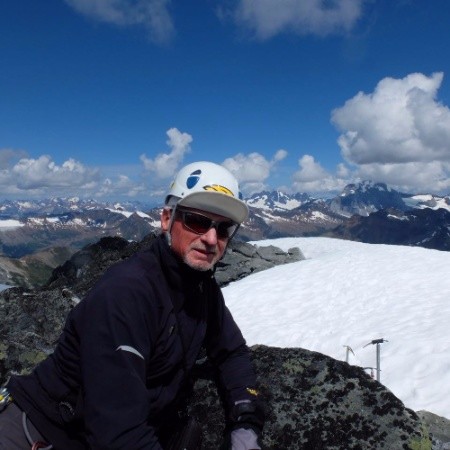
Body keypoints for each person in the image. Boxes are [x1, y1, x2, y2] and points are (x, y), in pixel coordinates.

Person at [0, 161, 265, 449]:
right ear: (167, 219)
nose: (211, 239)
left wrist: (245, 420)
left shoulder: (201, 287)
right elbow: (118, 431)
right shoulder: (126, 293)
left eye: (224, 228)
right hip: (39, 434)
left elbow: (232, 352)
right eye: (197, 221)